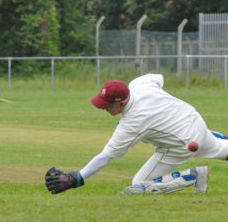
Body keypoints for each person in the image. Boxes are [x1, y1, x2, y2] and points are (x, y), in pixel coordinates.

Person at [45, 73, 228, 194]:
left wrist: (77, 178)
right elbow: (159, 77)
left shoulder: (132, 122)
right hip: (195, 121)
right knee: (222, 149)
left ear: (122, 103)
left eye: (107, 105)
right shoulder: (140, 84)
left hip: (181, 144)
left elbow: (106, 156)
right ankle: (218, 139)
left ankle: (193, 175)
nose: (104, 108)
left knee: (138, 186)